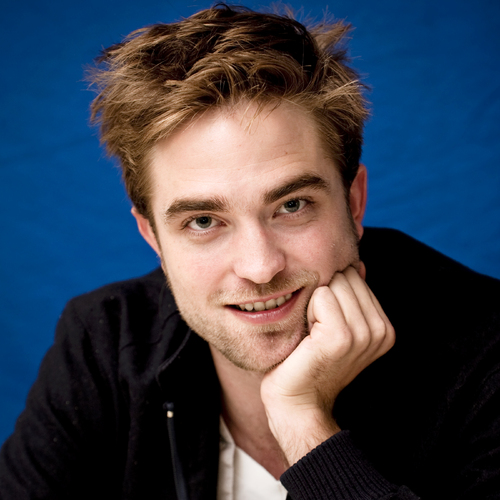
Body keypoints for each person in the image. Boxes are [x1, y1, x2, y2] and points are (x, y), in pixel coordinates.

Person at [1, 4, 499, 499]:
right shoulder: (105, 344)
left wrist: (302, 421)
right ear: (152, 236)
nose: (260, 267)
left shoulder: (488, 358)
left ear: (353, 202)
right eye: (203, 221)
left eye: (292, 206)